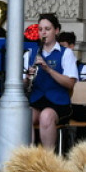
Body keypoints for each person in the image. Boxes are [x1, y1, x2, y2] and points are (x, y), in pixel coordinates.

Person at [27, 13, 78, 152]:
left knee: (46, 116)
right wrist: (27, 77)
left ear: (56, 31)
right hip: (37, 100)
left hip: (58, 103)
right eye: (40, 29)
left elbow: (70, 83)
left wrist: (48, 70)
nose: (43, 33)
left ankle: (48, 162)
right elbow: (23, 85)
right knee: (25, 116)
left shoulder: (66, 53)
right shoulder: (31, 52)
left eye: (47, 29)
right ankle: (28, 160)